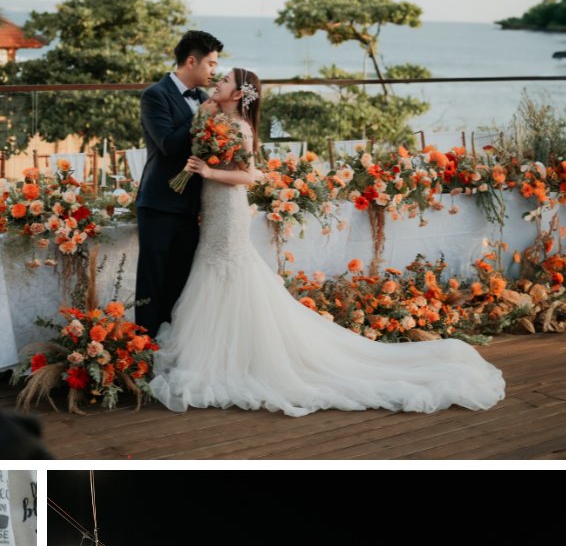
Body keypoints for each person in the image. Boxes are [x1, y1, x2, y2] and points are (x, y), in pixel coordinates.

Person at [148, 68, 506, 418]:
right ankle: (225, 352)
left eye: (224, 80)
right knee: (216, 273)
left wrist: (209, 172)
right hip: (211, 209)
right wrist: (205, 121)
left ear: (239, 94)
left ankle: (231, 359)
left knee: (227, 272)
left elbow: (250, 175)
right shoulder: (217, 120)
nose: (217, 81)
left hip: (228, 211)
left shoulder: (239, 127)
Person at [136, 29, 224, 337]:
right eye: (211, 64)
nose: (215, 71)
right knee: (152, 284)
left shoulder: (202, 97)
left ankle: (171, 348)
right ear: (191, 61)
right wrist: (202, 113)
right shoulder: (155, 95)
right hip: (159, 203)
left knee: (180, 284)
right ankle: (142, 352)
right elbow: (169, 145)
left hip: (191, 206)